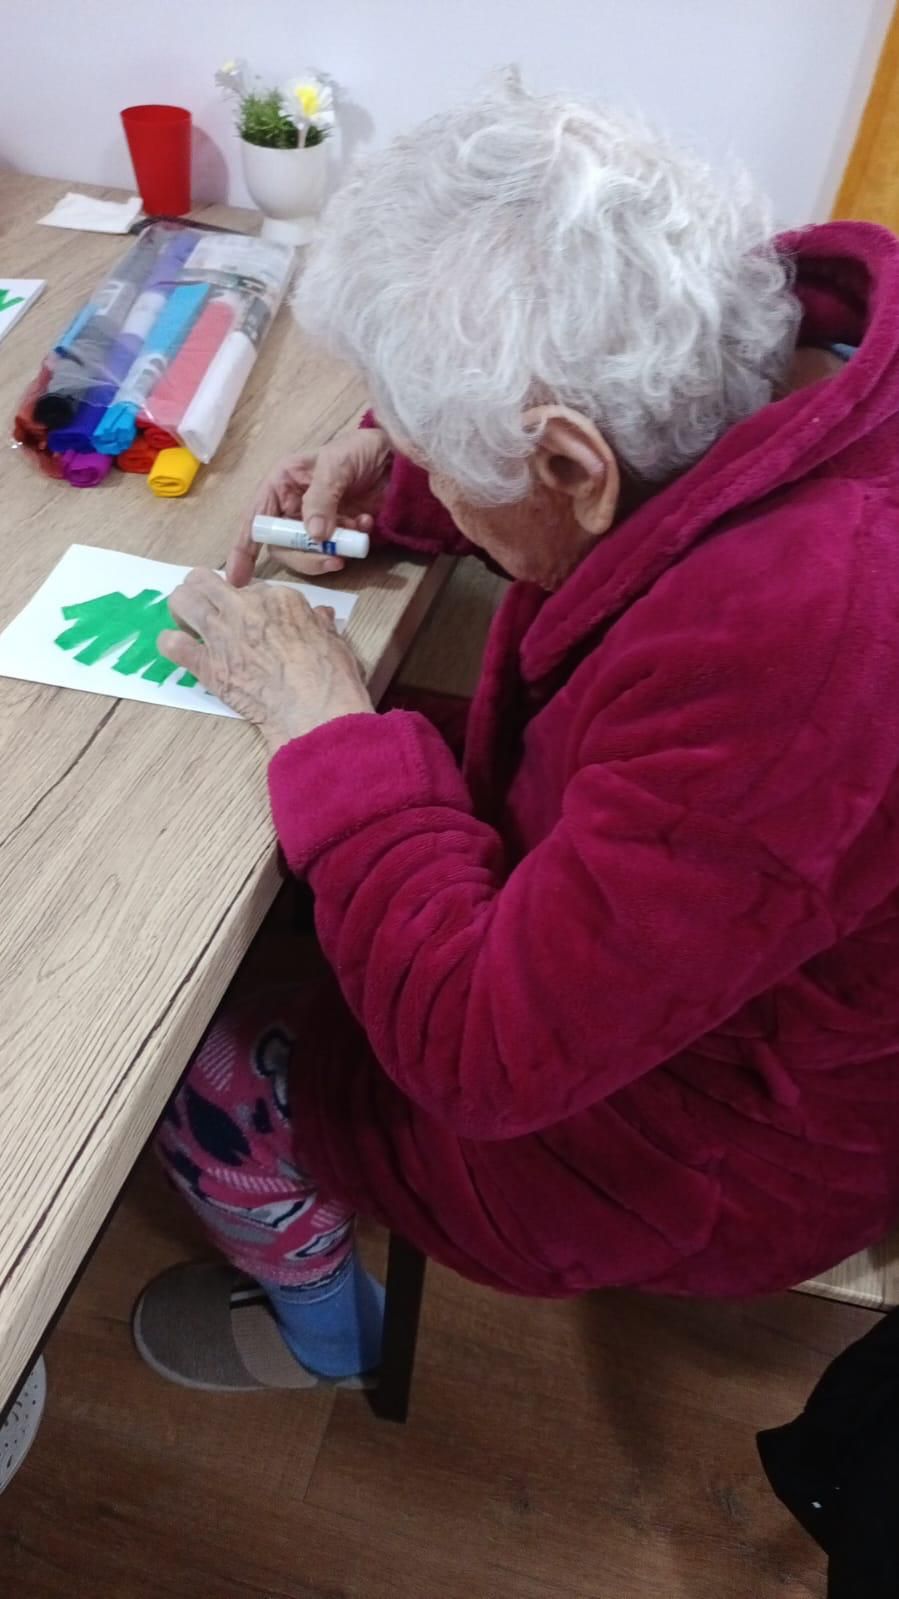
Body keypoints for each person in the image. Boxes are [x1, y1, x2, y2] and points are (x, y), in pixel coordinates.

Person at [132, 75, 899, 1393]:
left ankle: (329, 1337)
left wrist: (330, 727)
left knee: (201, 1068)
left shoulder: (802, 646)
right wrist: (407, 480)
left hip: (714, 1143)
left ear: (566, 468)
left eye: (439, 450)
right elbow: (634, 484)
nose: (414, 457)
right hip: (706, 936)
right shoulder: (739, 343)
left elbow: (485, 1060)